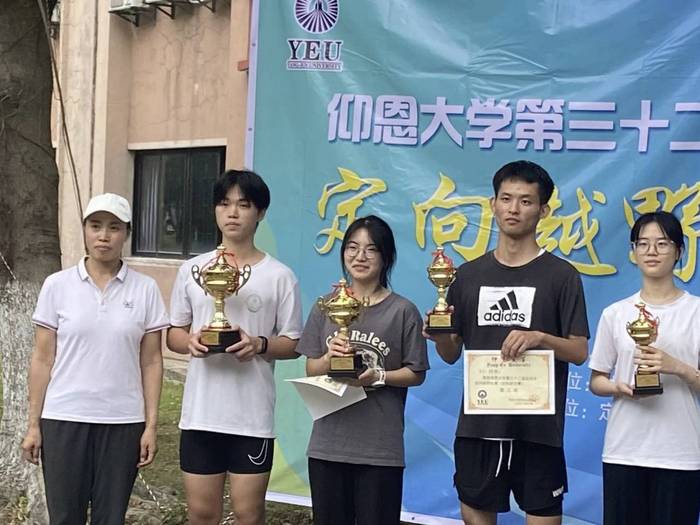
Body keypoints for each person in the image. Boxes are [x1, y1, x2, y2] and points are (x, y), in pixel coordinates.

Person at [425, 161, 590, 525]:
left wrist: (540, 337)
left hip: (538, 430)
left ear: (543, 210)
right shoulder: (467, 276)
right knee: (475, 514)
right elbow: (450, 353)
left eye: (526, 201)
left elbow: (579, 351)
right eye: (506, 198)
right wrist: (440, 336)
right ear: (493, 204)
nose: (514, 209)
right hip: (479, 426)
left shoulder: (562, 275)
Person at [21, 193, 168, 524]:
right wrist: (33, 425)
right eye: (96, 226)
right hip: (64, 417)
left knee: (110, 517)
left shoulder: (145, 289)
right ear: (85, 230)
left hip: (123, 421)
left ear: (127, 234)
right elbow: (42, 359)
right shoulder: (57, 285)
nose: (104, 236)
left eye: (114, 227)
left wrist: (150, 426)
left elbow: (151, 362)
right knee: (65, 516)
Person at [167, 169, 303, 525]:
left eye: (243, 205)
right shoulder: (193, 270)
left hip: (251, 417)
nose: (232, 213)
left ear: (260, 213)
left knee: (248, 514)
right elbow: (174, 334)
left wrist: (259, 344)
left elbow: (293, 343)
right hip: (201, 414)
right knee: (201, 513)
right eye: (224, 203)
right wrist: (191, 341)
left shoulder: (279, 276)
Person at [297, 215, 429, 525]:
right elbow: (311, 367)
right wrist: (328, 359)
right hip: (328, 446)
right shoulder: (326, 306)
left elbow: (416, 373)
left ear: (386, 257)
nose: (360, 256)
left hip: (379, 449)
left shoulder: (402, 311)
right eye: (352, 247)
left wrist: (379, 376)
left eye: (371, 249)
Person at [589, 211, 700, 525]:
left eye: (662, 244)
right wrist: (618, 387)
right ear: (633, 252)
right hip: (624, 450)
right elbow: (596, 380)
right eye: (643, 243)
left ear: (679, 251)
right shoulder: (615, 313)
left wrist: (677, 367)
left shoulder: (696, 312)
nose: (652, 251)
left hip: (680, 454)